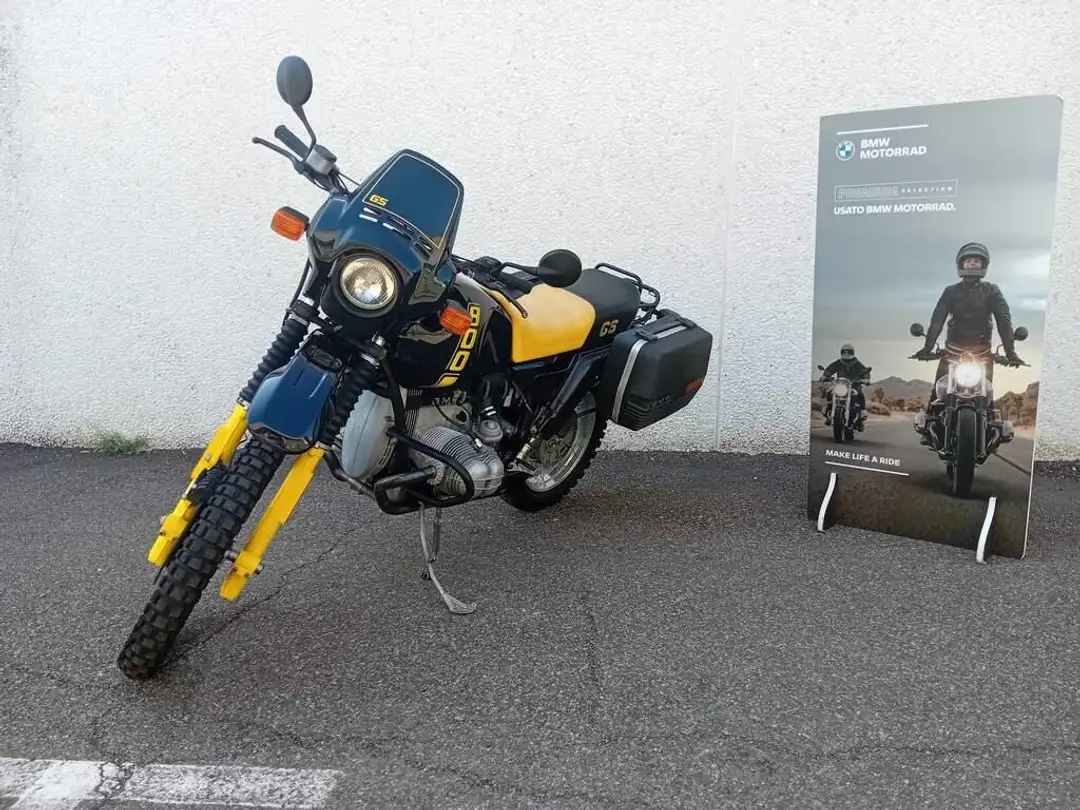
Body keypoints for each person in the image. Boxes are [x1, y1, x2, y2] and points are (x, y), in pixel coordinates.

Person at [916, 242, 1024, 417]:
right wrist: (927, 348)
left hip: (982, 355)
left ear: (983, 265)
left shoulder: (992, 291)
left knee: (988, 401)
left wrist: (1011, 353)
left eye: (976, 261)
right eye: (968, 261)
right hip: (951, 354)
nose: (972, 263)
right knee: (937, 396)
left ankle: (991, 426)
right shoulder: (950, 291)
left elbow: (1003, 321)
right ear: (961, 265)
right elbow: (937, 320)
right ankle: (929, 422)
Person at [820, 343, 870, 426]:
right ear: (841, 353)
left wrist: (866, 379)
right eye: (844, 352)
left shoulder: (857, 363)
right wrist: (825, 376)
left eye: (848, 352)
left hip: (853, 385)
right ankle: (828, 412)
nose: (846, 354)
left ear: (852, 353)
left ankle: (862, 413)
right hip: (840, 384)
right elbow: (830, 369)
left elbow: (864, 371)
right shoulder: (838, 363)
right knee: (830, 392)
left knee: (860, 394)